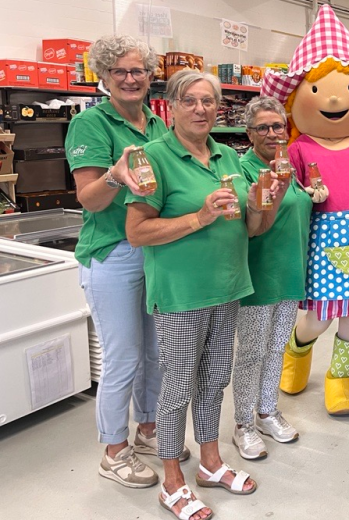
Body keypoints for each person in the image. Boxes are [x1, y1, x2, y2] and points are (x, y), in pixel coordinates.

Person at [126, 69, 266, 520]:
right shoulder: (152, 158)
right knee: (179, 384)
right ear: (171, 106)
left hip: (226, 287)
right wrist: (198, 219)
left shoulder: (228, 156)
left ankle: (209, 462)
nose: (201, 109)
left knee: (214, 379)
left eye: (209, 101)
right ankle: (171, 479)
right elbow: (137, 232)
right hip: (182, 294)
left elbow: (248, 226)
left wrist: (267, 201)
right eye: (190, 100)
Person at [262, 5, 349, 416]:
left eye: (346, 87)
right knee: (319, 315)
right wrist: (309, 194)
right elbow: (289, 192)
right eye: (319, 90)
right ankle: (297, 351)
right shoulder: (298, 147)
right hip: (322, 233)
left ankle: (340, 379)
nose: (335, 98)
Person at [65, 34, 189, 490]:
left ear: (151, 76)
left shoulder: (157, 126)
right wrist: (116, 176)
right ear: (105, 77)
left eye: (138, 70)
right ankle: (113, 452)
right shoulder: (92, 125)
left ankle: (149, 429)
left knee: (156, 351)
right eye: (120, 71)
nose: (131, 78)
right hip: (112, 256)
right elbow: (89, 199)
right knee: (123, 357)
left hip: (154, 251)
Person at [231, 96, 311, 459]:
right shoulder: (246, 170)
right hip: (259, 277)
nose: (272, 133)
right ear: (249, 133)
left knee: (277, 348)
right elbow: (253, 223)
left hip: (290, 273)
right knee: (251, 352)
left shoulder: (289, 167)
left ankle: (267, 411)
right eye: (262, 127)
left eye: (278, 126)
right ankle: (243, 424)